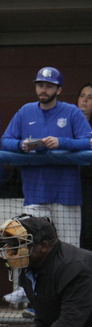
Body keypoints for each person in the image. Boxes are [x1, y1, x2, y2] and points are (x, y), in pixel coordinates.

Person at [1, 68, 91, 248]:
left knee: (69, 248)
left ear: (59, 90)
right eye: (40, 85)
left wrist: (61, 142)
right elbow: (5, 141)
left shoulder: (72, 112)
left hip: (66, 193)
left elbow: (88, 142)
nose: (43, 90)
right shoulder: (26, 111)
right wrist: (21, 145)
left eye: (49, 86)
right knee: (35, 249)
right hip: (35, 192)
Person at [77, 83, 92, 252]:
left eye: (90, 97)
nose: (85, 101)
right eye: (82, 96)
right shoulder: (70, 123)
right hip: (72, 189)